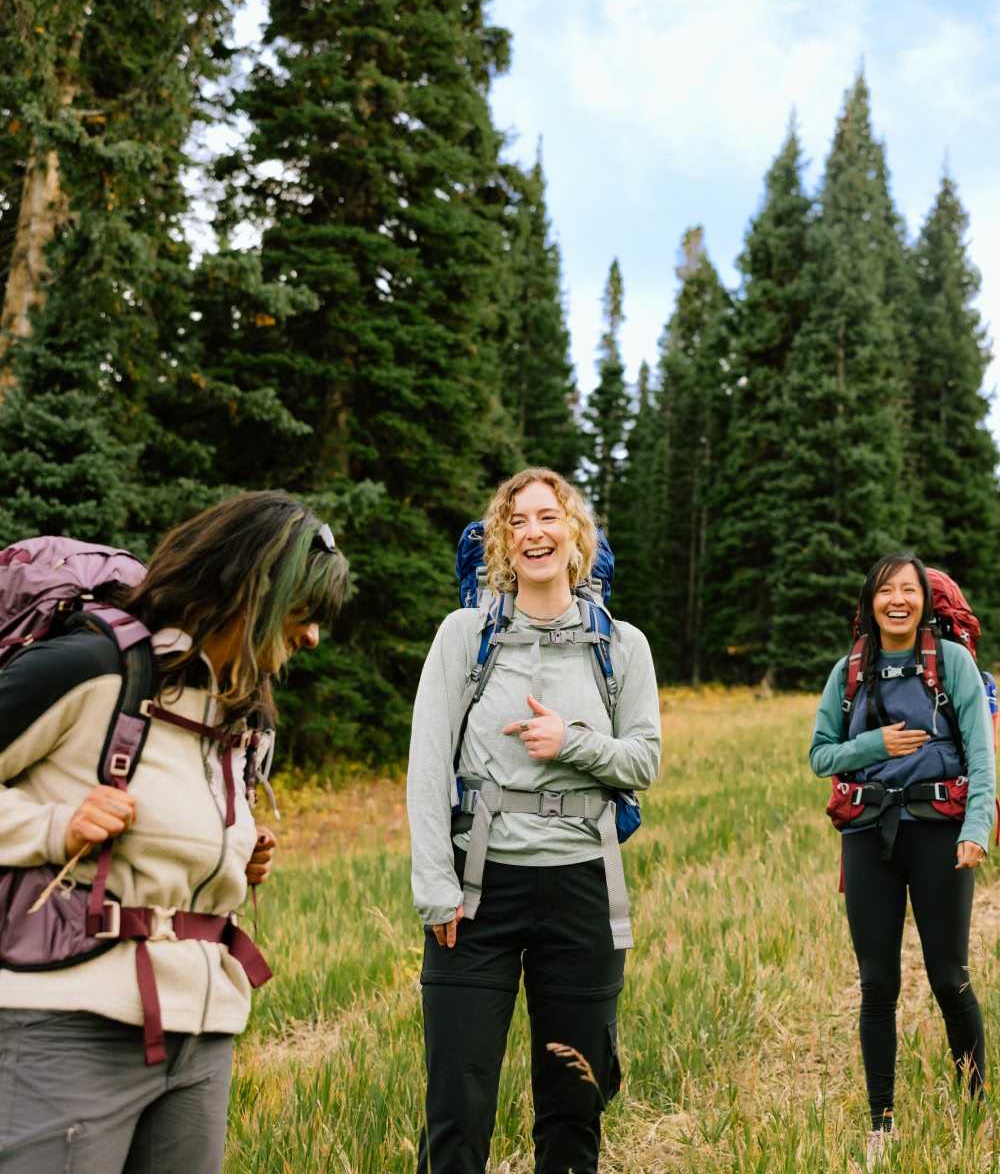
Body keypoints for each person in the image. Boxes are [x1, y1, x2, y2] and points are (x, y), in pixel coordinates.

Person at [0, 490, 349, 1174]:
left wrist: (228, 862)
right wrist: (53, 826)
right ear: (248, 590)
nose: (312, 637)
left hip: (201, 1033)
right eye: (304, 611)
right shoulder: (94, 669)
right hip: (68, 1024)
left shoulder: (240, 713)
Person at [407, 467, 661, 1173]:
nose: (533, 533)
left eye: (548, 517)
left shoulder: (622, 646)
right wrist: (435, 887)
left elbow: (643, 761)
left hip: (583, 886)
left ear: (576, 535)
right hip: (476, 892)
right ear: (501, 542)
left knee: (574, 1104)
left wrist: (571, 742)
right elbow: (427, 763)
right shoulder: (465, 636)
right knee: (457, 1108)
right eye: (516, 521)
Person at [809, 553, 994, 1169]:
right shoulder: (848, 671)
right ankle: (881, 1121)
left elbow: (981, 754)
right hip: (868, 835)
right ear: (870, 602)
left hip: (939, 833)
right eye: (885, 590)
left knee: (949, 976)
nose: (897, 600)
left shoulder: (953, 662)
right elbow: (820, 755)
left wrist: (977, 828)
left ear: (924, 601)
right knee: (877, 983)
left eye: (908, 590)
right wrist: (874, 744)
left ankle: (976, 1106)